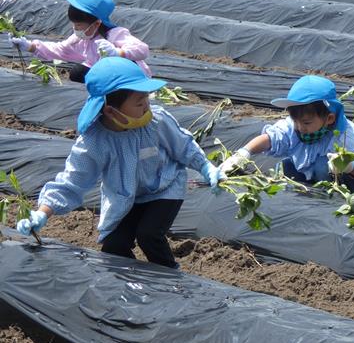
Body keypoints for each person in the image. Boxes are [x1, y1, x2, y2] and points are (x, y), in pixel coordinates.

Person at [15, 57, 224, 269]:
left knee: (149, 235)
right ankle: (130, 283)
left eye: (147, 100)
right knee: (114, 246)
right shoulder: (94, 142)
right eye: (139, 103)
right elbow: (73, 181)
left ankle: (172, 280)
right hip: (125, 197)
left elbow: (184, 146)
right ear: (110, 110)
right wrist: (42, 212)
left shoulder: (156, 122)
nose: (146, 107)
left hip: (165, 188)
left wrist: (206, 168)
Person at [220, 75, 354, 192]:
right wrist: (243, 153)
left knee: (323, 166)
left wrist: (350, 166)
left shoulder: (345, 137)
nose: (300, 127)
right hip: (315, 181)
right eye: (296, 121)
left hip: (351, 189)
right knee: (285, 167)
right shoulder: (295, 126)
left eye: (306, 123)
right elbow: (271, 138)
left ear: (329, 118)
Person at [8, 0, 151, 83]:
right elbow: (59, 50)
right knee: (78, 73)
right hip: (104, 75)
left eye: (79, 26)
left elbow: (142, 50)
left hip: (130, 78)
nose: (75, 29)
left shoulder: (114, 35)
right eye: (74, 25)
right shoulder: (81, 39)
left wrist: (118, 53)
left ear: (96, 24)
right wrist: (30, 46)